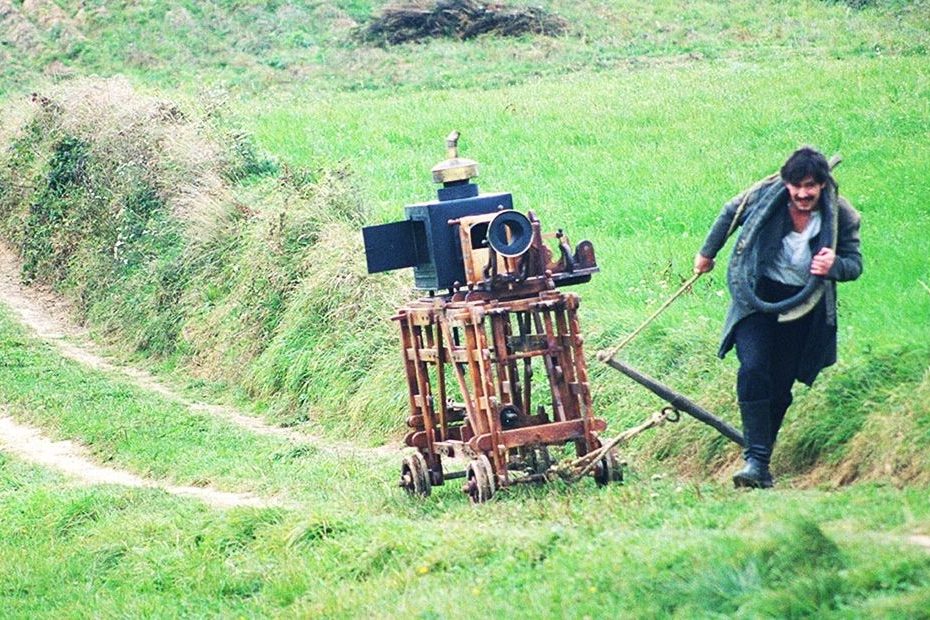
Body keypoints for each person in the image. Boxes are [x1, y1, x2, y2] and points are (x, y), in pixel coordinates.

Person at [694, 147, 862, 488]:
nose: (803, 194)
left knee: (781, 385)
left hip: (803, 307)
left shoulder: (842, 216)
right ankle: (755, 460)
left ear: (823, 185)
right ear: (786, 184)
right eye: (796, 186)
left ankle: (760, 462)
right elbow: (730, 212)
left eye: (811, 187)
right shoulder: (763, 198)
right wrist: (706, 254)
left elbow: (854, 264)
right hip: (757, 298)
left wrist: (834, 267)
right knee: (754, 367)